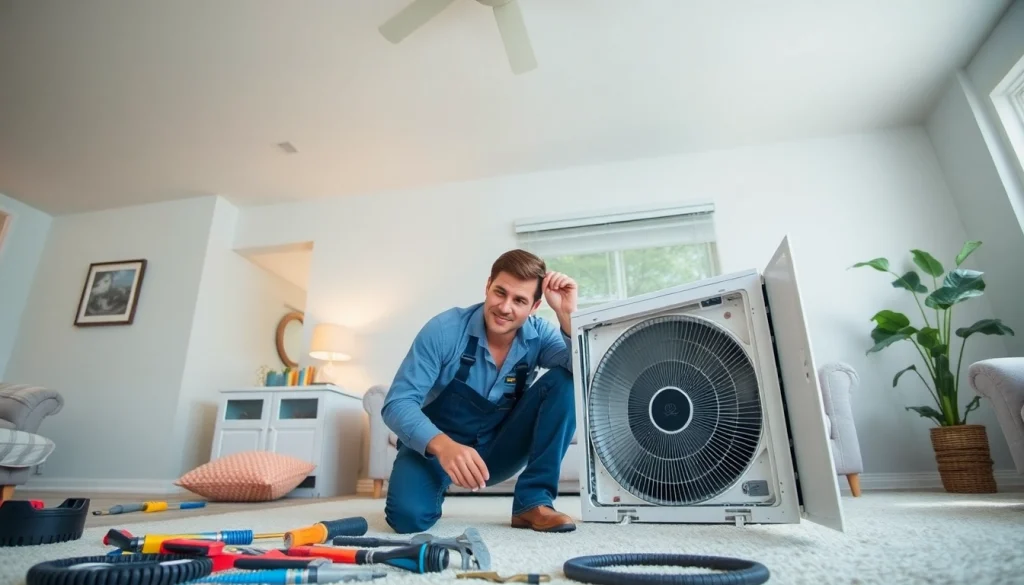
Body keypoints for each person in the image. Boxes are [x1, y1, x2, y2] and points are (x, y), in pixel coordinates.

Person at [380, 249, 580, 534]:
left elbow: (583, 372)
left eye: (520, 300)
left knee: (566, 380)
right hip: (436, 450)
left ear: (534, 307)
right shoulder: (444, 330)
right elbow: (397, 404)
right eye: (500, 292)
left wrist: (566, 314)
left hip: (496, 451)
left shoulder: (540, 335)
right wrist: (444, 446)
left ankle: (533, 503)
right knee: (407, 519)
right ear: (488, 286)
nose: (505, 307)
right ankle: (432, 486)